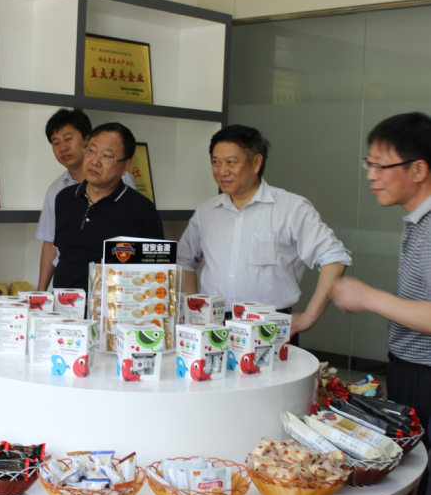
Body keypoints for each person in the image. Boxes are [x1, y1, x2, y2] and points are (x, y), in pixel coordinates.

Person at [331, 112, 431, 495]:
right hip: (410, 368)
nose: (371, 175)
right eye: (368, 164)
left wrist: (369, 297)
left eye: (381, 166)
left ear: (419, 169)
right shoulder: (418, 219)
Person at [177, 124, 352, 343]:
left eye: (231, 162)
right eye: (216, 162)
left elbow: (335, 258)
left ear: (256, 162)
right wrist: (195, 311)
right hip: (213, 327)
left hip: (269, 328)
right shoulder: (206, 211)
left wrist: (308, 318)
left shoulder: (290, 208)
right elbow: (184, 261)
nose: (222, 171)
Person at [53, 122, 164, 290]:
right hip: (64, 304)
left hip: (112, 305)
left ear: (125, 166)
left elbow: (155, 275)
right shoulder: (64, 198)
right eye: (91, 151)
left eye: (106, 156)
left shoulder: (142, 211)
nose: (95, 161)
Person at [36, 108, 136, 291]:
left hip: (110, 290)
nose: (62, 148)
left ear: (87, 140)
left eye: (68, 139)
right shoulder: (56, 192)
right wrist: (40, 292)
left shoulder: (120, 179)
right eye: (55, 143)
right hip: (68, 290)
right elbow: (50, 243)